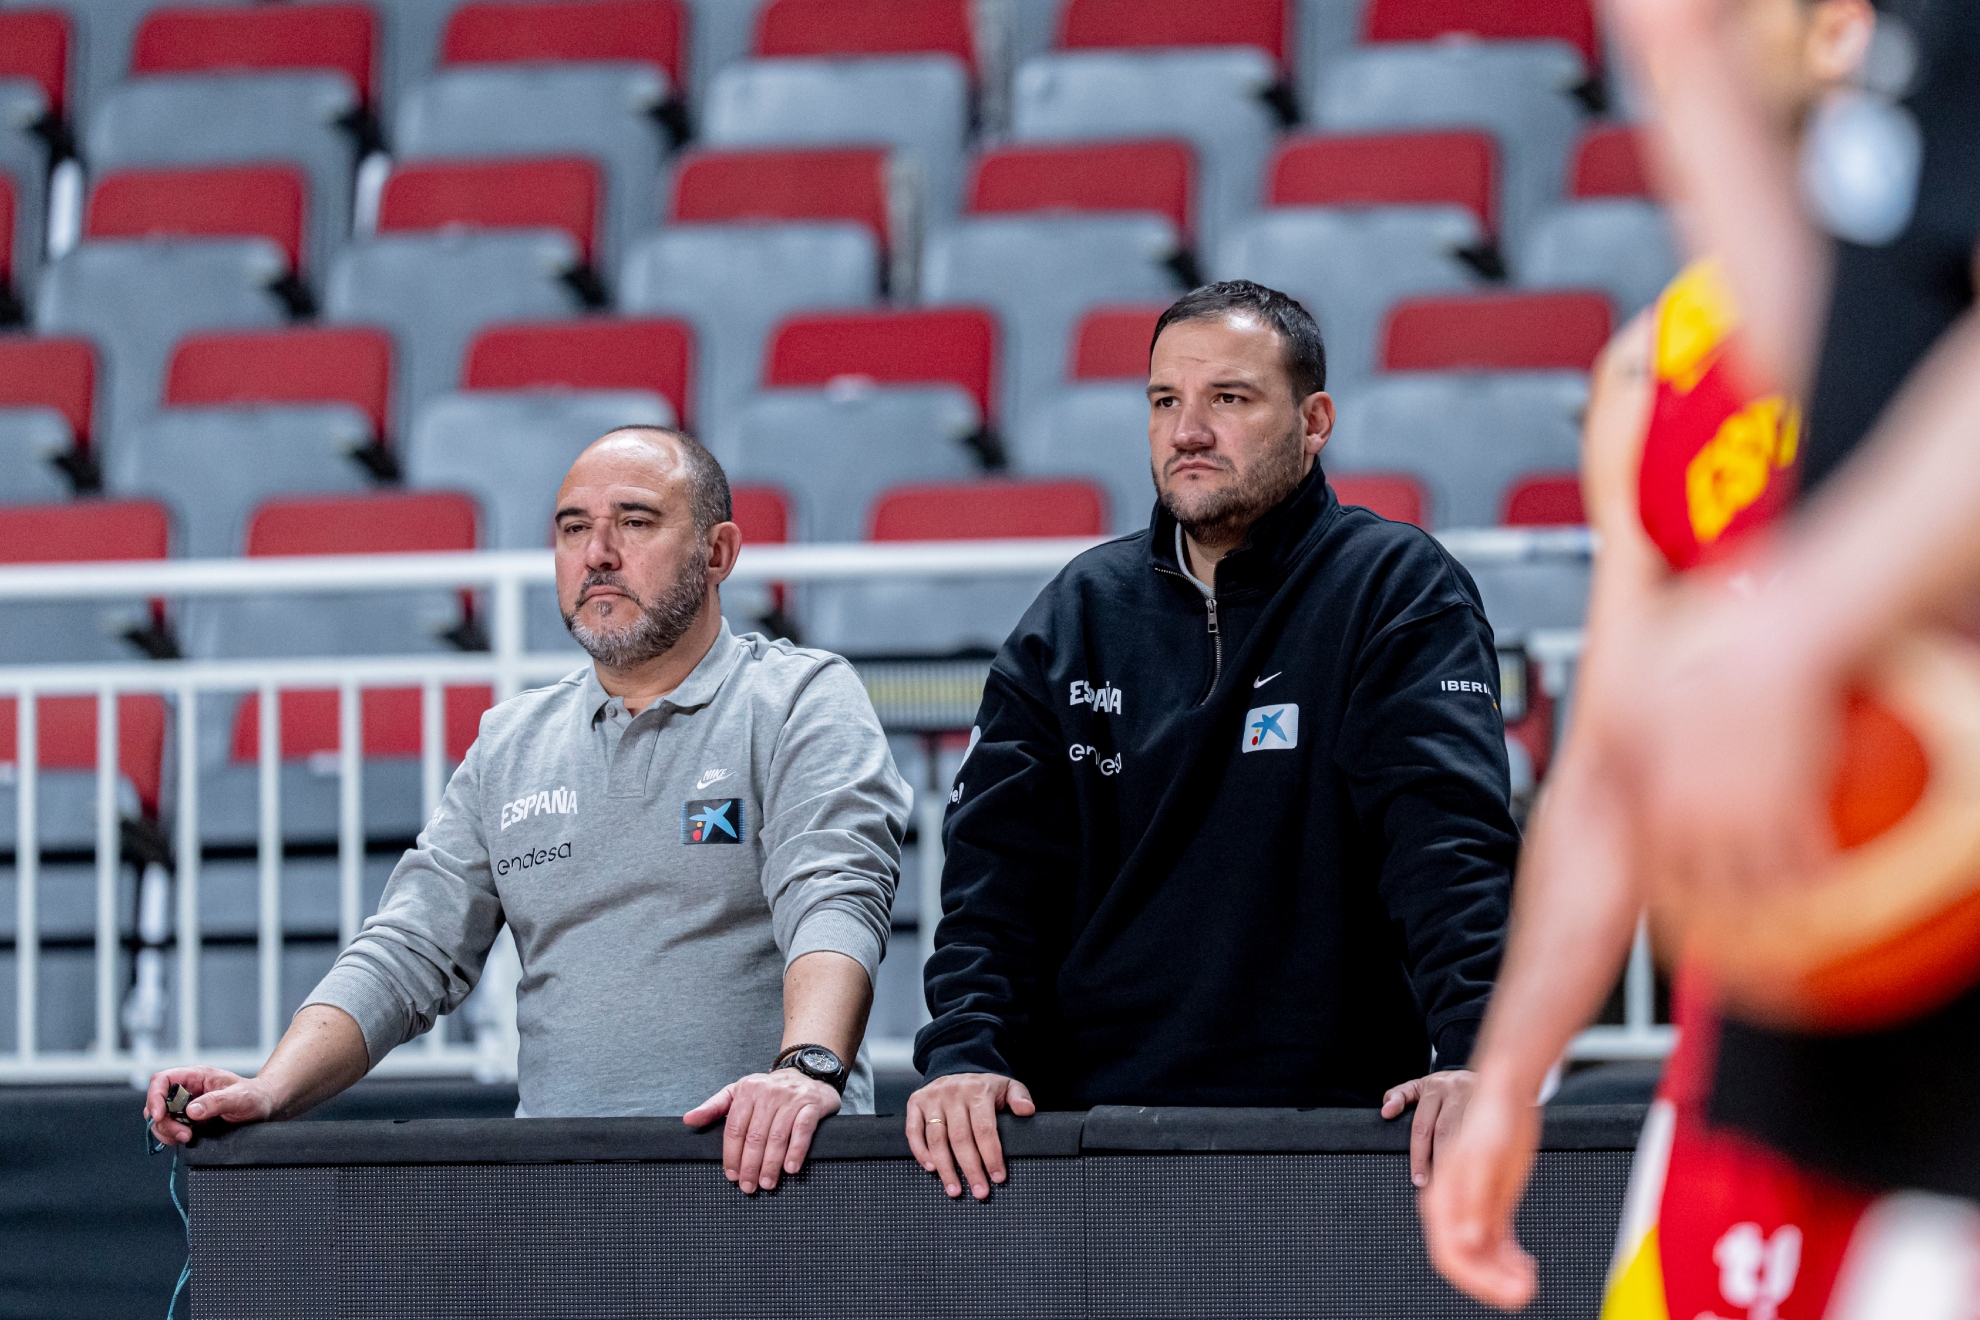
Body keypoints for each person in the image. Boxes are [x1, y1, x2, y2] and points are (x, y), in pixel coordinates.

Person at [1423, 0, 1980, 1312]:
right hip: (1783, 1041)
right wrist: (1511, 1072)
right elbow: (1611, 759)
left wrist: (1802, 615)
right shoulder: (1659, 375)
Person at [144, 427, 912, 1196]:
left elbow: (835, 893)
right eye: (574, 528)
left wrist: (808, 1068)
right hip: (560, 1200)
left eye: (636, 522)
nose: (598, 552)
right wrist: (271, 1089)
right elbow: (409, 949)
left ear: (718, 554)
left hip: (773, 1174)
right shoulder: (511, 740)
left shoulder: (799, 699)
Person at [906, 280, 1518, 1201]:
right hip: (1081, 1139)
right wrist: (962, 1055)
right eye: (1165, 402)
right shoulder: (1076, 611)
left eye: (1228, 398)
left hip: (1340, 1134)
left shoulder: (1395, 587)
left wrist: (1481, 1056)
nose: (1187, 430)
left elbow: (1448, 848)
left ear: (1314, 422)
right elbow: (995, 875)